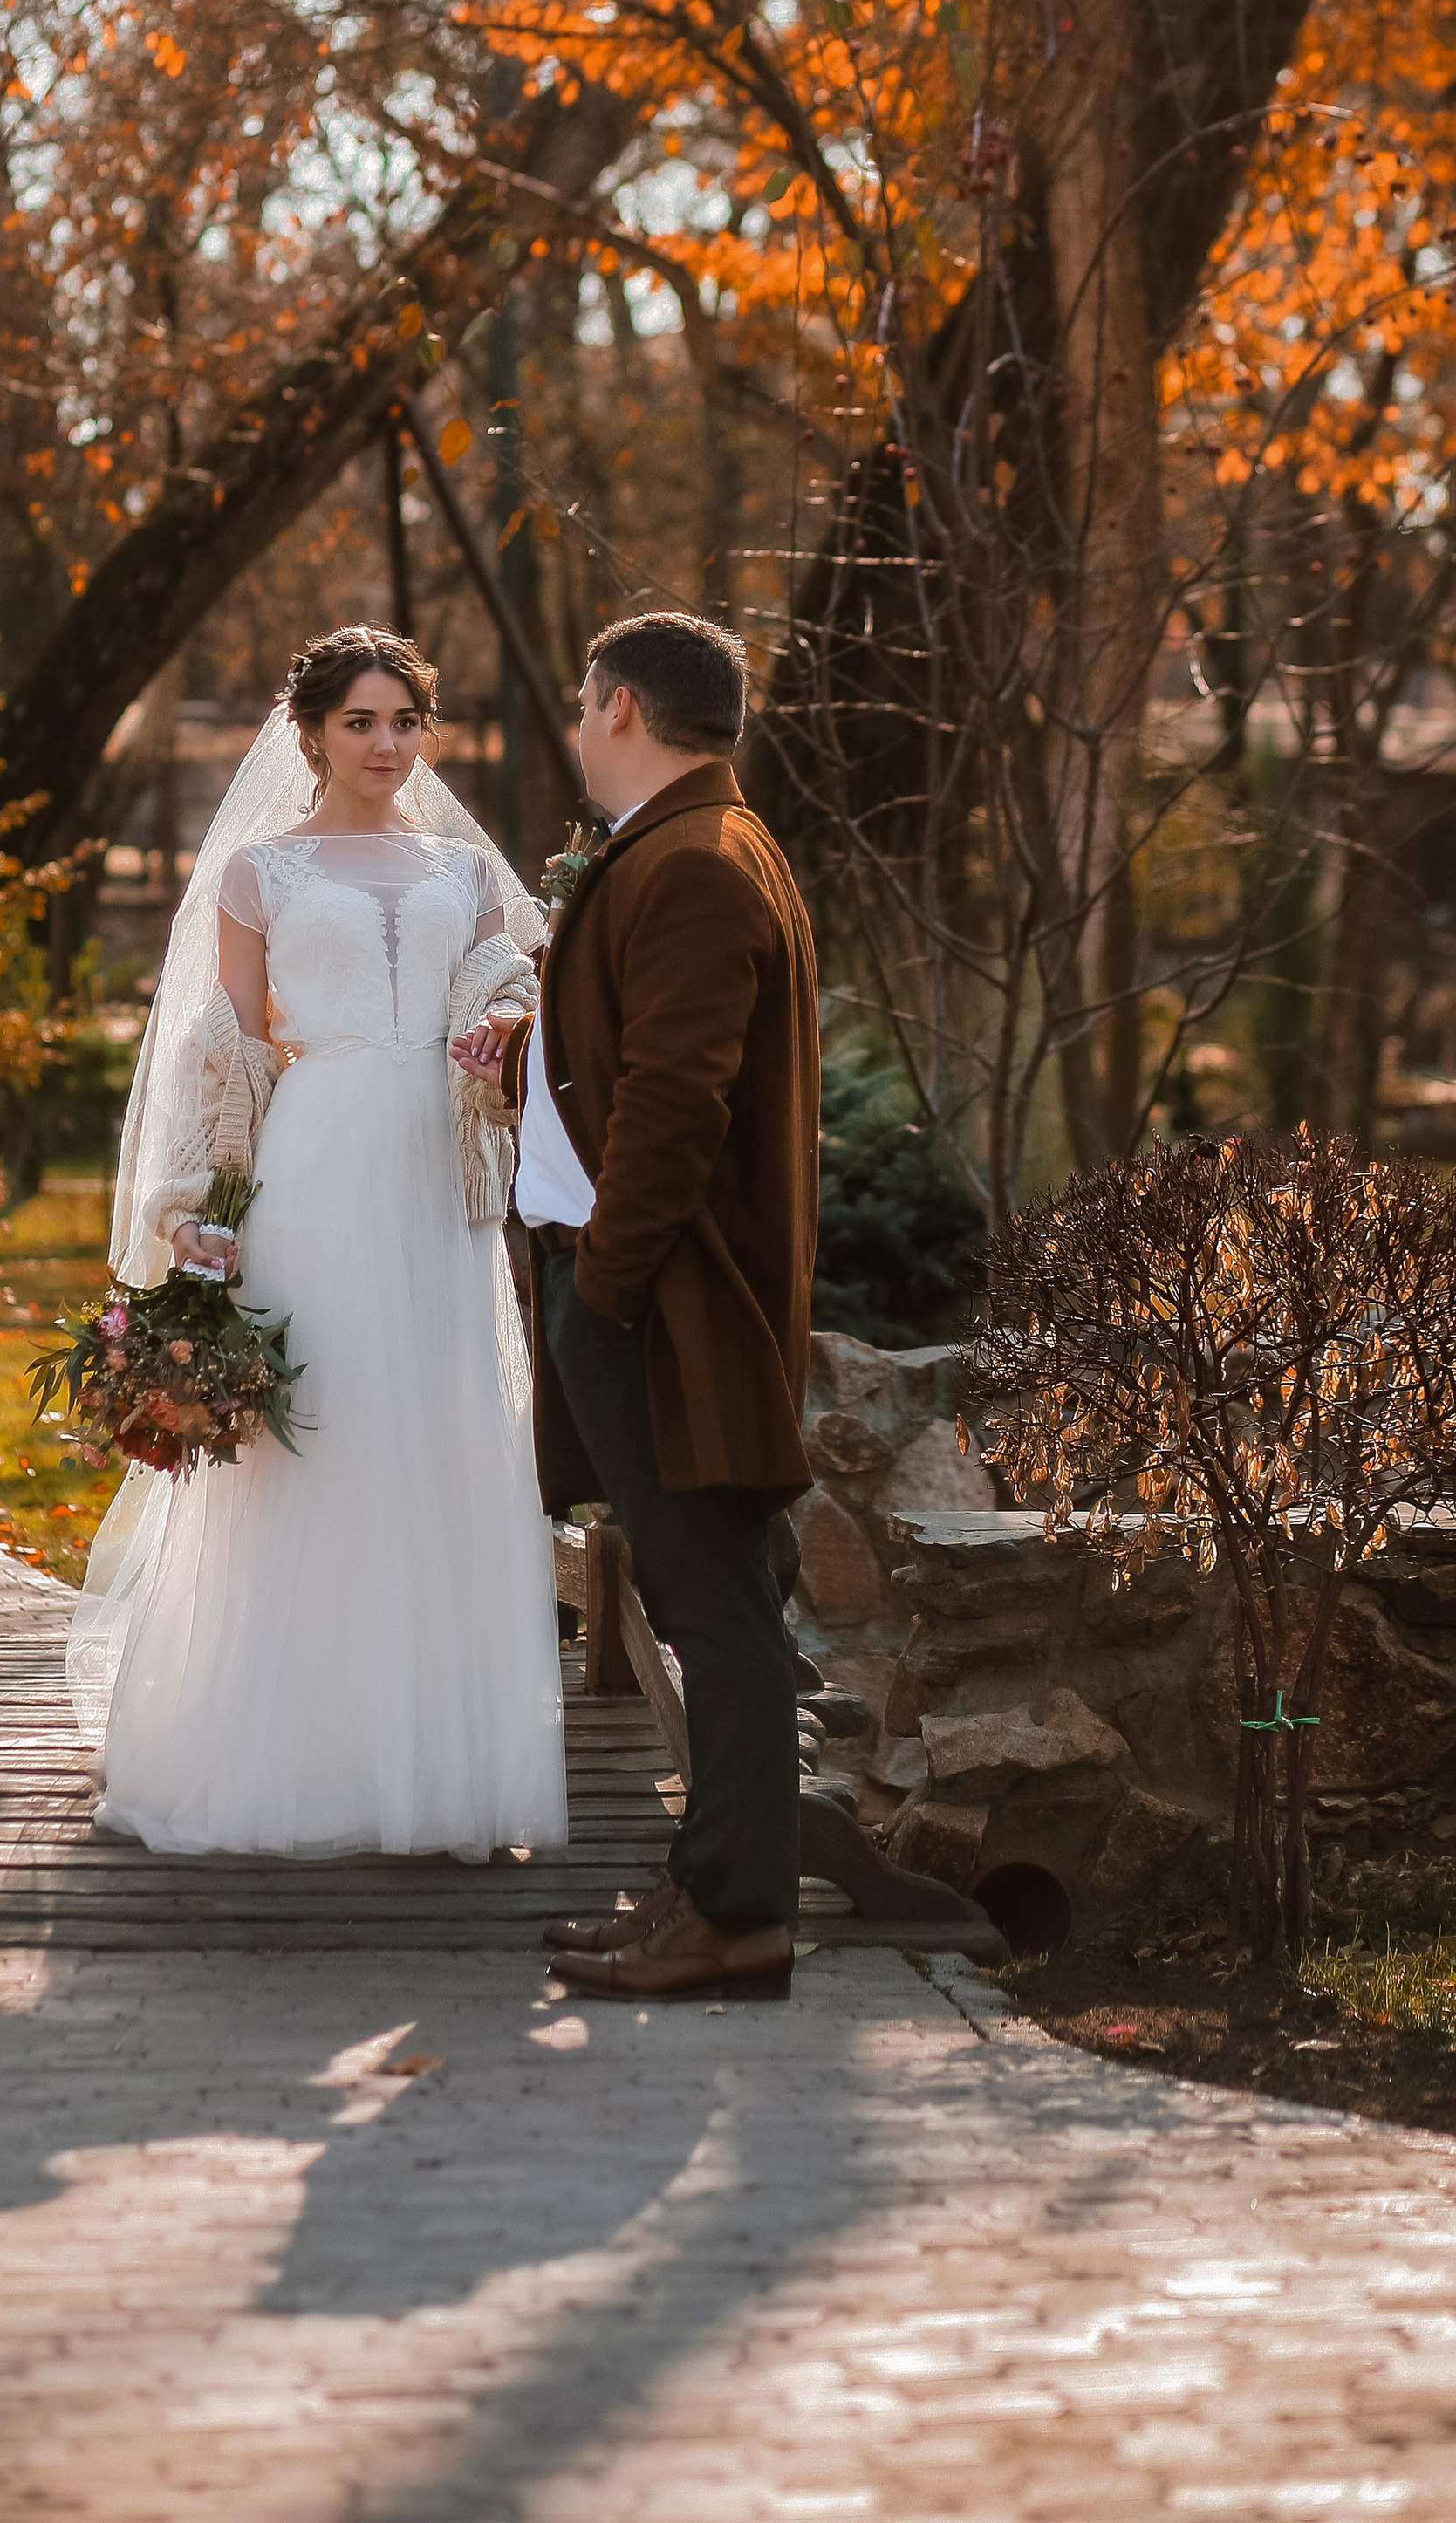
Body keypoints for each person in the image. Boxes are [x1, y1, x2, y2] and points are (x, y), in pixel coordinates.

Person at [65, 625, 568, 1863]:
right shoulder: (259, 874)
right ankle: (280, 1762)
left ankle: (434, 1767)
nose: (387, 745)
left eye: (405, 722)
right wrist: (200, 1210)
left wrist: (499, 1035)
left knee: (433, 1435)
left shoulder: (469, 877)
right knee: (316, 1441)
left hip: (434, 1180)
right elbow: (226, 1056)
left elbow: (519, 1004)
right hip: (316, 1161)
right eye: (362, 722)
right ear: (311, 733)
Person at [451, 608, 818, 2000]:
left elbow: (679, 1103)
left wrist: (602, 1291)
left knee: (712, 1610)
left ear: (617, 708)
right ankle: (702, 1890)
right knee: (694, 1596)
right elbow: (642, 1052)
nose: (575, 731)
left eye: (582, 707)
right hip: (640, 1294)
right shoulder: (685, 847)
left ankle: (736, 1920)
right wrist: (534, 1056)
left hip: (667, 1307)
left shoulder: (701, 864)